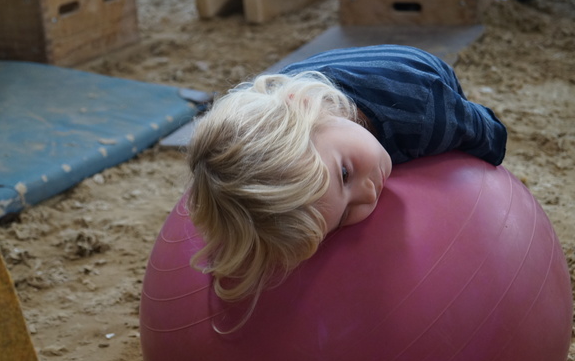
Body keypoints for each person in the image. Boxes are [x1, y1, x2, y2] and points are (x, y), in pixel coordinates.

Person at [186, 44, 507, 309]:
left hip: (416, 75)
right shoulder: (286, 119)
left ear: (309, 105)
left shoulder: (425, 112)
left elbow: (489, 135)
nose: (368, 194)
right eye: (344, 215)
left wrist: (482, 154)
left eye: (344, 174)